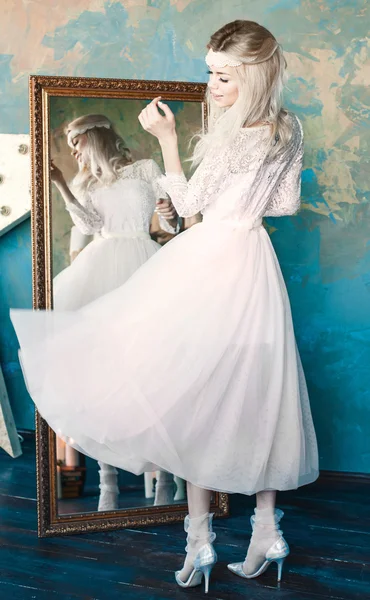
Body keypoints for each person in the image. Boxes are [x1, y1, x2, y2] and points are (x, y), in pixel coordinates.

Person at [11, 20, 318, 594]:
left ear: (253, 75)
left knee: (196, 393)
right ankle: (266, 530)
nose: (213, 85)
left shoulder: (234, 131)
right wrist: (239, 200)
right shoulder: (287, 128)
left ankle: (198, 542)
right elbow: (286, 203)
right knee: (258, 390)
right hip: (256, 261)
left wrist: (169, 141)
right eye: (210, 72)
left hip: (211, 259)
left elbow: (190, 203)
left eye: (224, 76)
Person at [50, 114, 180, 511]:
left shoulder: (145, 168)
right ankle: (108, 483)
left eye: (76, 140)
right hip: (103, 267)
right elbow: (89, 226)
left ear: (96, 136)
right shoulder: (84, 181)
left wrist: (170, 213)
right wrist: (62, 187)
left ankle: (165, 479)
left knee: (156, 377)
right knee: (103, 380)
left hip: (145, 262)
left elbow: (173, 222)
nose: (73, 150)